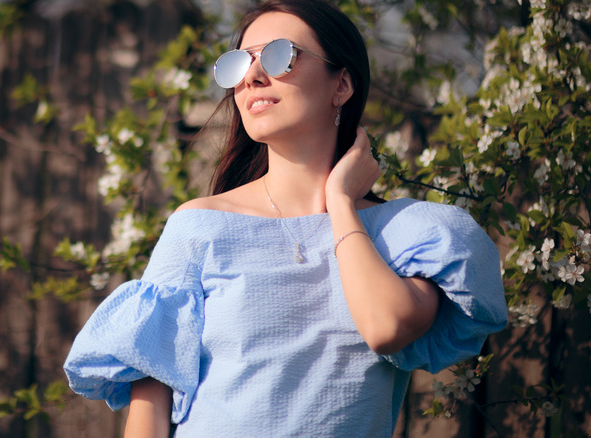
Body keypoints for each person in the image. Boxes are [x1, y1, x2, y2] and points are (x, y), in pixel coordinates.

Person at [63, 0, 508, 436]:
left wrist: (339, 199)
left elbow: (386, 328)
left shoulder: (411, 233)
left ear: (342, 85)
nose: (253, 77)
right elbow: (149, 412)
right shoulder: (199, 226)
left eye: (281, 56)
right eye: (239, 63)